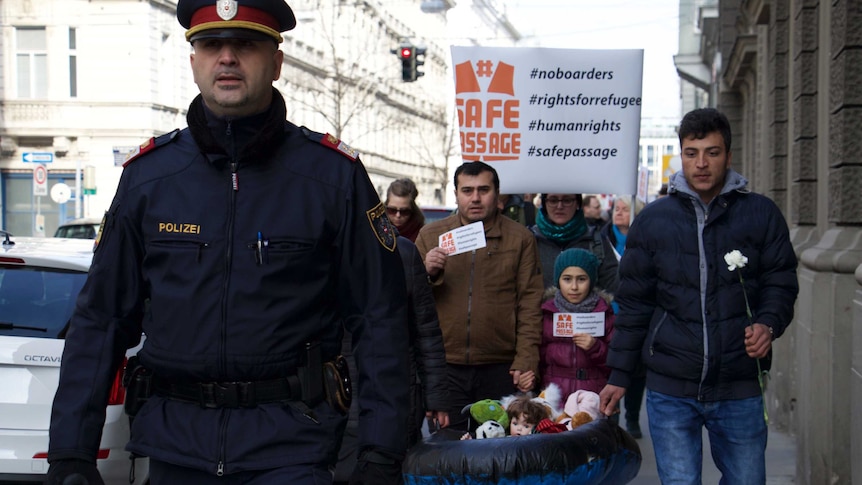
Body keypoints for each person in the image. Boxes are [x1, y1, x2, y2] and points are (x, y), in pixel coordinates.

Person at [46, 1, 410, 484]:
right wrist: (71, 452)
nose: (227, 58)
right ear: (193, 60)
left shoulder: (332, 179)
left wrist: (381, 452)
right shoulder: (149, 179)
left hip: (291, 450)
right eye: (211, 45)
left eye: (245, 45)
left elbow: (379, 320)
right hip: (176, 447)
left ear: (277, 62)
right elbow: (101, 320)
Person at [599, 108, 799, 483]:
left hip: (739, 383)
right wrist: (620, 374)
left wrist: (769, 324)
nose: (702, 163)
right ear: (681, 155)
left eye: (712, 152)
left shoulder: (760, 214)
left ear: (729, 155)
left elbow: (780, 280)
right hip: (670, 386)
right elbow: (636, 304)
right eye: (692, 153)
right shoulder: (654, 220)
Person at [415, 161, 544, 432]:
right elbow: (409, 302)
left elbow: (530, 304)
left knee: (499, 452)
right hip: (445, 366)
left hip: (501, 366)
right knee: (449, 452)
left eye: (483, 190)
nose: (475, 197)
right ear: (456, 194)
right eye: (467, 190)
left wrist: (526, 359)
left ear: (497, 194)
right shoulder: (431, 235)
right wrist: (425, 273)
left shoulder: (519, 239)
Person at [334, 235, 449, 482]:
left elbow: (426, 332)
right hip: (338, 400)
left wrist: (436, 396)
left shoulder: (403, 252)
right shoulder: (326, 248)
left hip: (393, 400)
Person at [537, 249, 614, 399]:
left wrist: (595, 347)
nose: (574, 287)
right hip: (554, 397)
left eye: (581, 279)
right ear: (558, 280)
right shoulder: (547, 313)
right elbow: (537, 358)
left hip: (592, 397)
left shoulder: (604, 313)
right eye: (567, 279)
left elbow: (616, 362)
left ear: (591, 280)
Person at [600, 195, 646, 437]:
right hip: (610, 314)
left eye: (624, 209)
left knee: (636, 371)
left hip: (635, 314)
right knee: (612, 369)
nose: (618, 213)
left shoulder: (644, 238)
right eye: (616, 209)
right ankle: (611, 415)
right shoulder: (602, 239)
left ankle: (633, 416)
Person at [530, 193, 619, 295]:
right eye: (553, 201)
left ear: (578, 203)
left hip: (588, 310)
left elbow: (612, 286)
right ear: (544, 203)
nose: (559, 206)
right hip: (538, 310)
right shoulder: (530, 239)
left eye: (567, 200)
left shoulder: (596, 239)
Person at [385, 178, 425, 242]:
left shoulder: (422, 235)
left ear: (412, 210)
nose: (398, 215)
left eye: (404, 212)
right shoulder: (376, 230)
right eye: (392, 210)